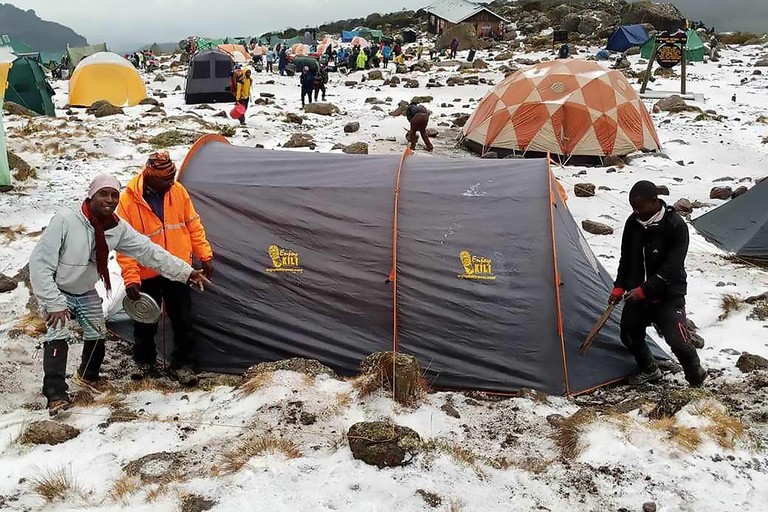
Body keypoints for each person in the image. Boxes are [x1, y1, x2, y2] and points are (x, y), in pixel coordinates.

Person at [29, 175, 210, 415]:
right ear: (91, 195)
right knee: (58, 332)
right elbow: (39, 264)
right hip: (57, 289)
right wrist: (52, 303)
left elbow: (150, 252)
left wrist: (186, 273)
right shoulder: (66, 221)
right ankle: (56, 395)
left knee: (97, 333)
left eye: (115, 195)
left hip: (85, 290)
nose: (110, 200)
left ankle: (87, 377)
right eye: (104, 194)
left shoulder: (116, 228)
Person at [117, 152, 214, 385]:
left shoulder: (178, 191)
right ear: (149, 175)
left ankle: (182, 364)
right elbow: (123, 245)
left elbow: (193, 224)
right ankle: (144, 361)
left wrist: (204, 254)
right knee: (144, 320)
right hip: (146, 271)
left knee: (182, 319)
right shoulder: (128, 201)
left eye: (172, 177)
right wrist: (131, 279)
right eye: (166, 179)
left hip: (178, 268)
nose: (171, 182)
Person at [611, 180, 706, 387]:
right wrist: (619, 284)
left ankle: (695, 376)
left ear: (655, 201)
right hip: (637, 292)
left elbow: (671, 269)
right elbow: (625, 258)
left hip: (667, 295)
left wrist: (644, 291)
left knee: (678, 342)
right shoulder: (633, 223)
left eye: (640, 207)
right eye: (633, 208)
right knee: (628, 334)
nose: (636, 211)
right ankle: (650, 369)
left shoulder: (675, 226)